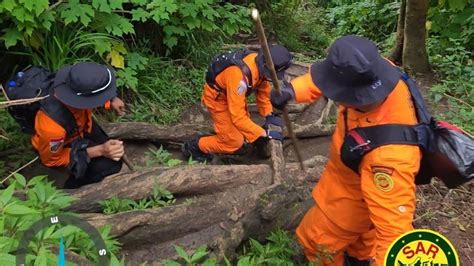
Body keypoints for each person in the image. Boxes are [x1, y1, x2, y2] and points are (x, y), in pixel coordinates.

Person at [271, 35, 422, 265]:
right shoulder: (379, 71)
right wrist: (292, 91)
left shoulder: (389, 159)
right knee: (362, 240)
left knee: (315, 241)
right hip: (355, 178)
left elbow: (394, 233)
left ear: (352, 95)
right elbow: (330, 77)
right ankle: (358, 258)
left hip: (353, 197)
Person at [182, 45, 293, 162]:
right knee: (233, 142)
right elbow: (238, 117)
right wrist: (265, 133)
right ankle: (195, 147)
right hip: (218, 100)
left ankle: (248, 138)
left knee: (244, 128)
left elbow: (263, 91)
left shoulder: (259, 64)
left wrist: (268, 115)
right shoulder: (238, 77)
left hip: (233, 95)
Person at [31, 62, 126, 189]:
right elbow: (52, 160)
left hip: (82, 125)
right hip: (64, 142)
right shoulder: (53, 129)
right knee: (111, 164)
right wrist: (100, 150)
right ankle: (73, 188)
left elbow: (90, 94)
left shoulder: (71, 83)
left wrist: (111, 99)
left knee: (106, 143)